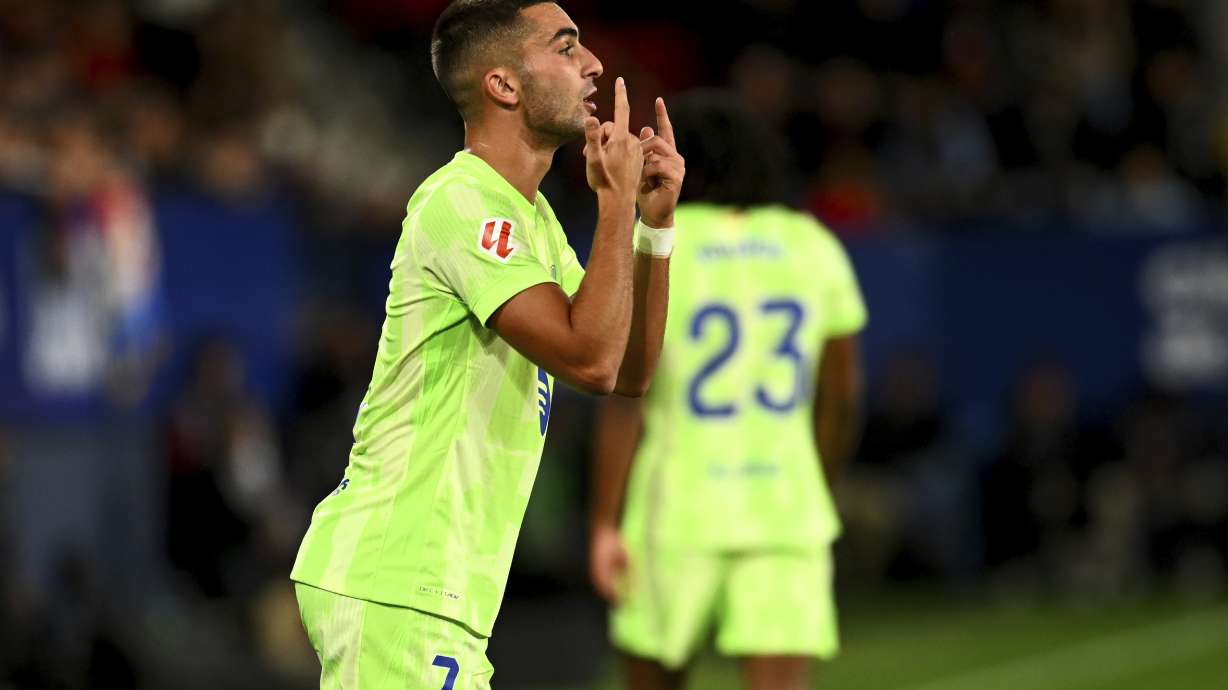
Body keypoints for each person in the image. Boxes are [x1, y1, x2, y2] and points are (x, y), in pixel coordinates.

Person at [290, 1, 685, 688]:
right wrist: (615, 205)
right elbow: (589, 360)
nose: (592, 65)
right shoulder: (461, 202)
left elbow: (627, 370)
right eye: (565, 48)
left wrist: (653, 228)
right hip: (399, 576)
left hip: (436, 589)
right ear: (503, 85)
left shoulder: (529, 219)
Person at [588, 90, 865, 690]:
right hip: (784, 507)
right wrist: (818, 483)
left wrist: (604, 521)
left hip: (675, 505)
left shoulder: (661, 240)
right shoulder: (813, 246)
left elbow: (626, 395)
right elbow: (840, 399)